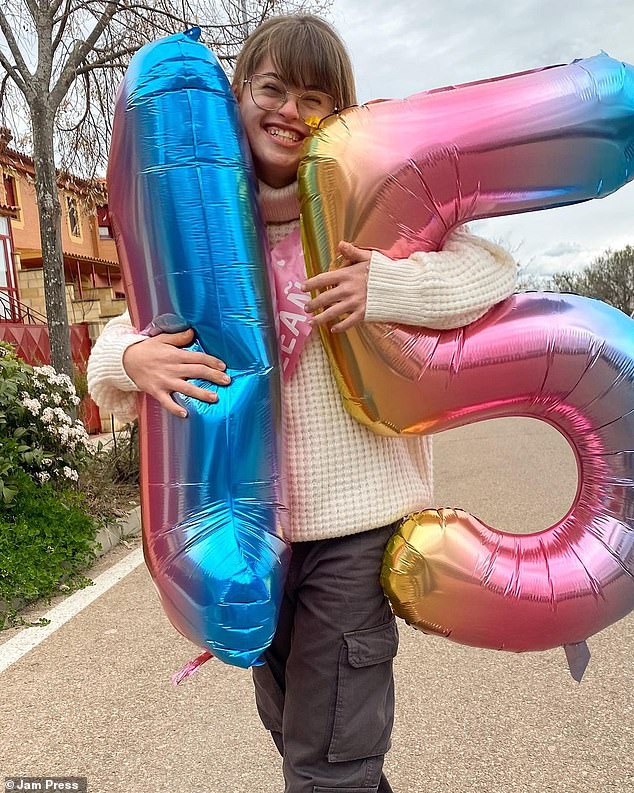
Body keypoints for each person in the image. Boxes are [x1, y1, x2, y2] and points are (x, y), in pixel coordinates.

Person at [87, 14, 517, 793]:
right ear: (238, 95)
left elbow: (493, 271)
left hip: (356, 525)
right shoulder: (207, 229)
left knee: (328, 760)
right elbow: (108, 360)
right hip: (258, 537)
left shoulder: (371, 214)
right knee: (300, 735)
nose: (289, 109)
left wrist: (386, 283)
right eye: (272, 88)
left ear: (338, 117)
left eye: (314, 98)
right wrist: (133, 355)